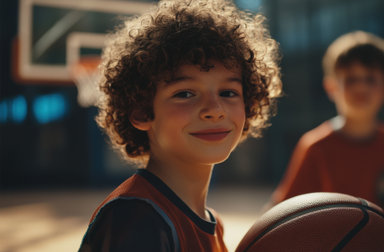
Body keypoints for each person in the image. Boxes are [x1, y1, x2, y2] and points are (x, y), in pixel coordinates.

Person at [78, 0, 282, 251]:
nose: (215, 110)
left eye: (228, 92)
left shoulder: (211, 223)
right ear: (142, 111)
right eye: (185, 93)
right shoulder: (135, 217)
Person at [271, 31, 384, 225]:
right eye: (351, 79)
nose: (361, 88)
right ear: (331, 87)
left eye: (370, 79)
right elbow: (281, 210)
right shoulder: (315, 145)